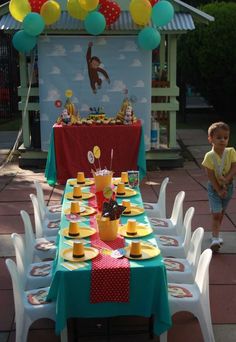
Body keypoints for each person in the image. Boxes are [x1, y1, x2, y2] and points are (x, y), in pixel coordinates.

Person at [202, 122, 236, 252]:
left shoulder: (231, 152)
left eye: (225, 138)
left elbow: (234, 167)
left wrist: (226, 179)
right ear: (210, 139)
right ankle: (215, 238)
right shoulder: (209, 157)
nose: (223, 140)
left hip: (228, 187)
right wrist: (218, 189)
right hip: (214, 188)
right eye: (219, 137)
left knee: (221, 213)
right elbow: (210, 176)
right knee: (216, 213)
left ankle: (216, 233)